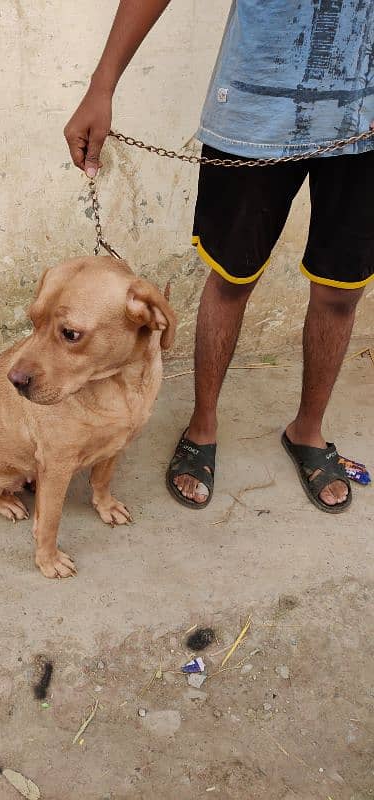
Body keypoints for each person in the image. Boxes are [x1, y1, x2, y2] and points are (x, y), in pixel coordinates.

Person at [64, 0, 374, 514]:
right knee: (231, 281)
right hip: (254, 114)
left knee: (342, 292)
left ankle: (308, 432)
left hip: (365, 130)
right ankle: (202, 423)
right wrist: (102, 86)